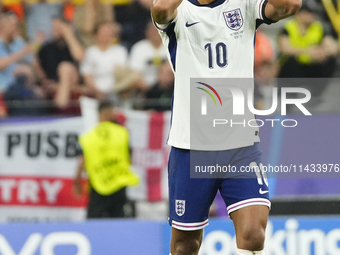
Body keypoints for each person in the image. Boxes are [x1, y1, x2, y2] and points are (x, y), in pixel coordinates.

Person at [151, 0, 301, 255]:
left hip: (240, 143)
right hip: (191, 146)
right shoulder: (180, 9)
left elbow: (291, 5)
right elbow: (161, 10)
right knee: (185, 245)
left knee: (254, 234)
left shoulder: (244, 4)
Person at [73, 100, 139, 218]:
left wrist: (77, 182)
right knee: (118, 219)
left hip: (98, 182)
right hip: (119, 182)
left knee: (94, 221)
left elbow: (82, 161)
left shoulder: (88, 137)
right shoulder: (122, 133)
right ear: (110, 113)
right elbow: (130, 158)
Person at [277, 4, 338, 106]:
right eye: (309, 13)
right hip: (292, 69)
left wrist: (324, 51)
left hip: (311, 66)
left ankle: (315, 94)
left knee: (331, 61)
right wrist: (307, 51)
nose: (312, 16)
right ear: (300, 14)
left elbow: (332, 45)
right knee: (289, 62)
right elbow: (284, 47)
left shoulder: (318, 27)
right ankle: (288, 100)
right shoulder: (289, 27)